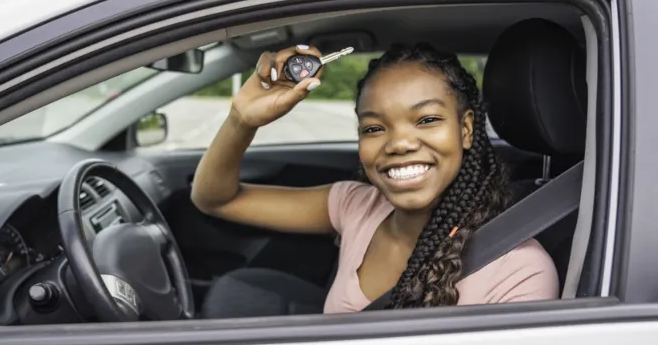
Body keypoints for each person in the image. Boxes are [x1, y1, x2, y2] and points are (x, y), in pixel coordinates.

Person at [191, 43, 558, 314]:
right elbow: (216, 198)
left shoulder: (519, 273)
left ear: (465, 130)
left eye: (427, 120)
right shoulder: (356, 206)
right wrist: (242, 119)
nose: (399, 143)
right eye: (374, 127)